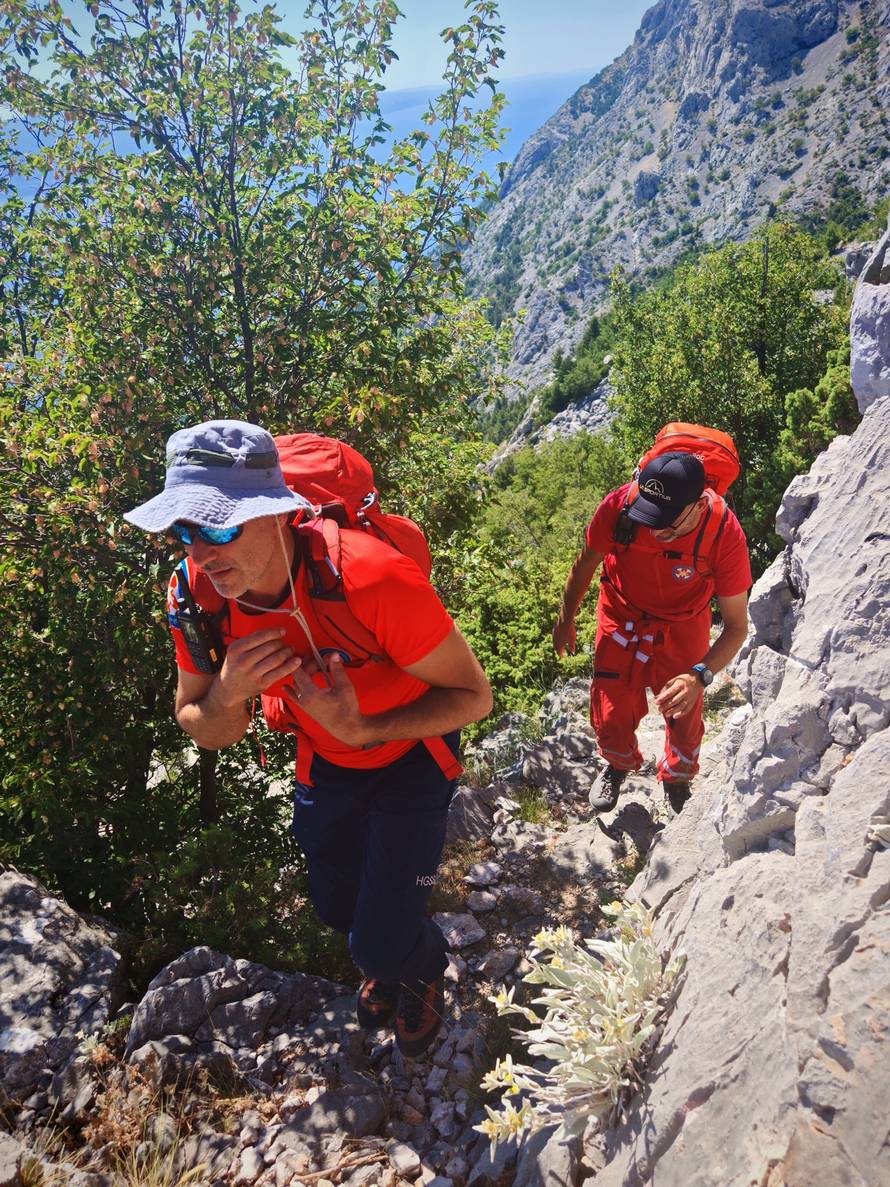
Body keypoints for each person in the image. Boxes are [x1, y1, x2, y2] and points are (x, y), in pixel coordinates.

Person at [124, 420, 492, 1058]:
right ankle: (392, 944)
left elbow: (473, 697)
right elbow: (204, 725)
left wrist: (363, 727)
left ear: (274, 514)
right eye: (182, 531)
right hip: (324, 761)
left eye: (216, 527)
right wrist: (228, 690)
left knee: (376, 941)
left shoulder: (372, 577)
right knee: (335, 909)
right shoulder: (194, 595)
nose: (201, 553)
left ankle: (421, 964)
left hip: (412, 759)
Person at [553, 451, 752, 816]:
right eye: (649, 516)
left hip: (683, 622)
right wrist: (565, 619)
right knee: (611, 705)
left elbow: (738, 627)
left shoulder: (724, 535)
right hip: (621, 609)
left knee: (683, 708)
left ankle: (677, 776)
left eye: (667, 521)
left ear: (697, 505)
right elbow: (584, 565)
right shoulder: (620, 507)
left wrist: (700, 675)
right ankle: (617, 763)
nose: (654, 529)